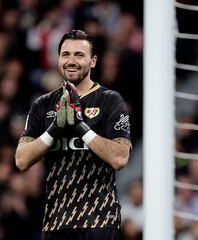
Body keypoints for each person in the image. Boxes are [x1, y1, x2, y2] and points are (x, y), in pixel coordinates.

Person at [15, 30, 132, 240]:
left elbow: (120, 158)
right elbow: (21, 160)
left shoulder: (110, 101)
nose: (71, 60)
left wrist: (80, 127)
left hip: (99, 221)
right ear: (58, 58)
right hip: (55, 223)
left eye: (79, 55)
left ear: (93, 61)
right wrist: (53, 130)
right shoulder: (42, 105)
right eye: (65, 54)